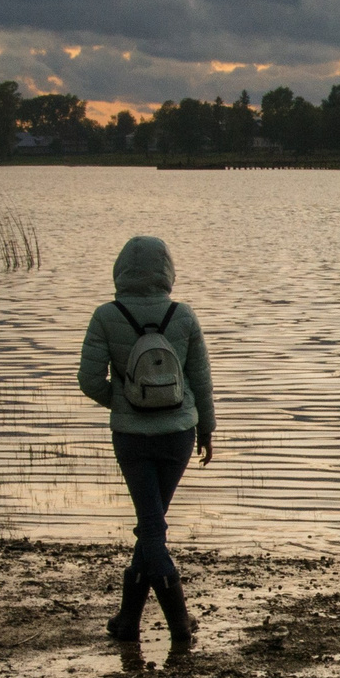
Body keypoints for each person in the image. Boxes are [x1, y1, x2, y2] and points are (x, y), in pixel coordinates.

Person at [78, 235, 214, 641]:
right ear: (167, 271)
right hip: (179, 435)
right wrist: (206, 427)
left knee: (150, 528)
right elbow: (201, 381)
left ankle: (173, 624)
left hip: (131, 438)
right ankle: (133, 621)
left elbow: (88, 381)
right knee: (152, 526)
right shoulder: (183, 315)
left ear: (120, 270)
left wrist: (123, 402)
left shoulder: (106, 315)